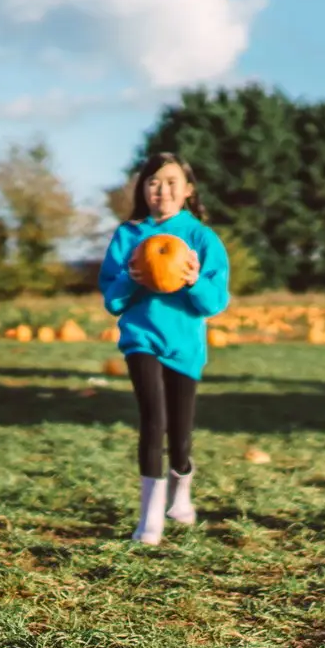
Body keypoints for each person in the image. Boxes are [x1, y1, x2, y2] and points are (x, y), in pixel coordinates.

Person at [99, 152, 231, 546]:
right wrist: (131, 278)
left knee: (180, 433)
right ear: (142, 189)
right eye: (153, 182)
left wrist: (194, 281)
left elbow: (214, 302)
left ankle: (182, 489)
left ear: (188, 190)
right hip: (142, 340)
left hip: (185, 347)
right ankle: (150, 517)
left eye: (172, 181)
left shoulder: (201, 239)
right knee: (153, 420)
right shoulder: (129, 235)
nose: (162, 190)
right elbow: (112, 299)